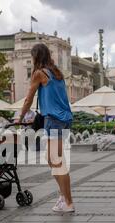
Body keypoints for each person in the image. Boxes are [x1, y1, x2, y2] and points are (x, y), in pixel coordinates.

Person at [18, 43, 74, 213]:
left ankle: (68, 202)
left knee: (56, 161)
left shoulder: (39, 73)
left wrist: (20, 118)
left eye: (32, 56)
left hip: (54, 119)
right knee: (53, 159)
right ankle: (63, 197)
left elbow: (28, 99)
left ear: (36, 57)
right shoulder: (57, 73)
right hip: (65, 118)